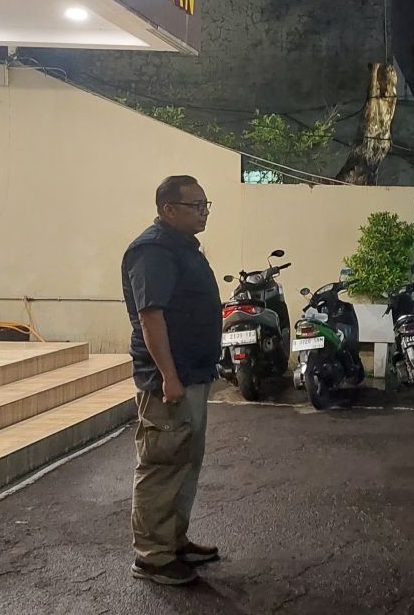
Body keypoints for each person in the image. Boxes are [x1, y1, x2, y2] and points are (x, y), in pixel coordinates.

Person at [121, 175, 223, 586]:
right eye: (195, 206)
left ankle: (174, 542)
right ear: (168, 209)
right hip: (169, 380)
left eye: (205, 205)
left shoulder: (182, 247)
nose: (204, 212)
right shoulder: (153, 251)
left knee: (184, 462)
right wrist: (168, 376)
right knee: (162, 465)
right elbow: (151, 316)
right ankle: (152, 557)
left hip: (192, 374)